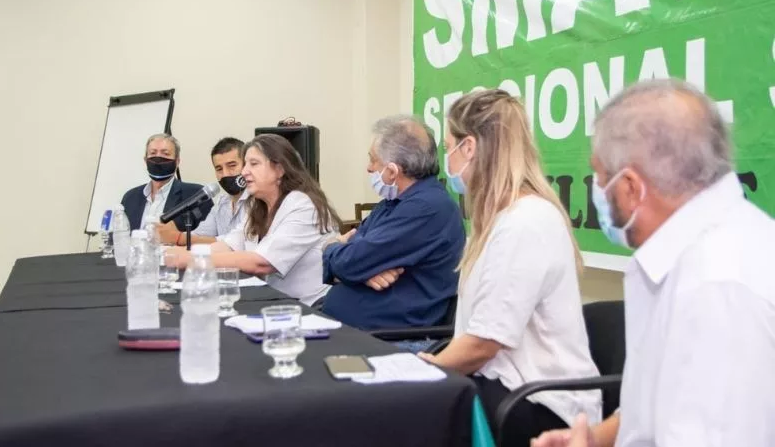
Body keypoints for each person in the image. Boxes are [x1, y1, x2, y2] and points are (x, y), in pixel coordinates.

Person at [533, 80, 775, 447]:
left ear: (630, 187)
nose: (598, 190)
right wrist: (595, 439)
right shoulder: (686, 259)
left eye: (600, 177)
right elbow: (653, 410)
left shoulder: (718, 289)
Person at [416, 89, 602, 446]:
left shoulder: (525, 222)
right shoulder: (500, 220)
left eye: (448, 147)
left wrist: (426, 369)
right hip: (503, 385)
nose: (447, 160)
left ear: (469, 148)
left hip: (539, 403)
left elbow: (484, 343)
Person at [321, 115, 465, 331]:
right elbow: (353, 258)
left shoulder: (426, 208)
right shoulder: (393, 203)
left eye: (373, 160)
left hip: (392, 338)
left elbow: (350, 261)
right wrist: (360, 270)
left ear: (393, 171)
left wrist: (336, 251)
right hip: (357, 330)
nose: (369, 168)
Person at [170, 134, 342, 307]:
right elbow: (229, 245)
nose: (244, 171)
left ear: (280, 169)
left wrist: (190, 260)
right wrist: (174, 254)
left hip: (311, 306)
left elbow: (262, 263)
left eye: (254, 164)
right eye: (245, 164)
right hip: (276, 301)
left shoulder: (303, 205)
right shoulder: (257, 206)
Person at [157, 137, 248, 246]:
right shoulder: (222, 203)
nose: (225, 174)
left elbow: (237, 243)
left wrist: (178, 238)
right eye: (219, 169)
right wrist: (171, 236)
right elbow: (200, 234)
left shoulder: (258, 202)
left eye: (232, 166)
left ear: (246, 165)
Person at [120, 133, 213, 231]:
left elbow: (207, 236)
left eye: (165, 154)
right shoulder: (130, 197)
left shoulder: (196, 195)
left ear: (177, 162)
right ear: (145, 160)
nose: (158, 158)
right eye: (153, 153)